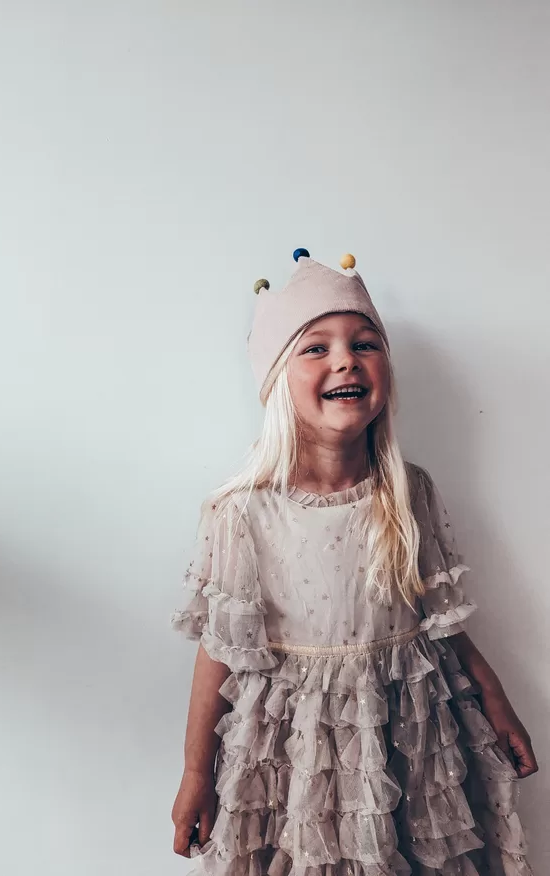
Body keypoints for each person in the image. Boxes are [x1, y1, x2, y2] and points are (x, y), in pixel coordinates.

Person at [170, 249, 537, 876]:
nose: (345, 358)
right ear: (278, 380)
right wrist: (196, 773)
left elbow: (439, 622)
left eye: (364, 343)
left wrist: (495, 697)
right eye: (316, 347)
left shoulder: (408, 491)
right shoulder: (243, 512)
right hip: (298, 750)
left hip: (408, 740)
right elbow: (219, 650)